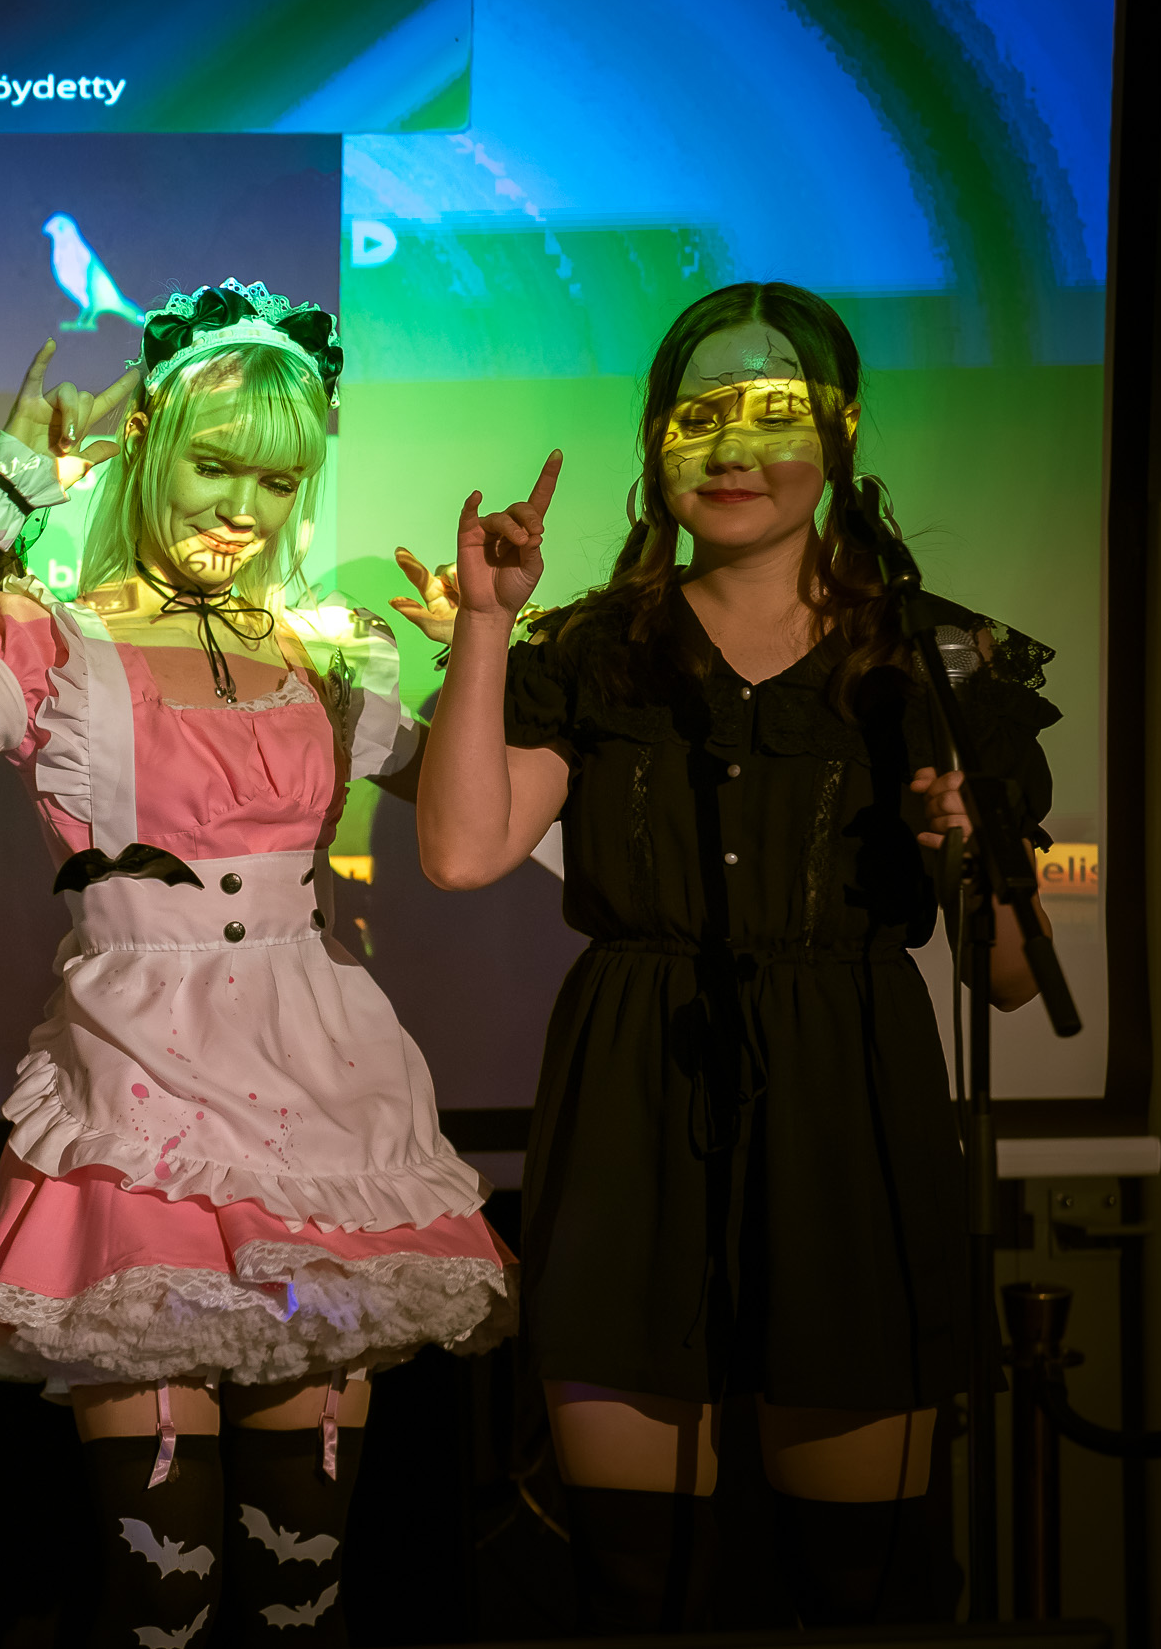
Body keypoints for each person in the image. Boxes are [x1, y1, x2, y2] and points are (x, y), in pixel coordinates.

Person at [0, 283, 515, 1649]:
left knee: (302, 1584)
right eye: (216, 464)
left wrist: (489, 636)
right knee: (164, 1590)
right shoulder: (57, 641)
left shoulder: (336, 648)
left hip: (318, 1096)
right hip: (138, 1105)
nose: (243, 509)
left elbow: (468, 832)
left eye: (279, 480)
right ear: (145, 444)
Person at [415, 281, 1058, 1629]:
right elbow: (464, 851)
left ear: (843, 428)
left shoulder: (932, 658)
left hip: (850, 1103)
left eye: (773, 410)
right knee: (633, 1577)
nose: (734, 450)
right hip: (636, 1098)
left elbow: (1008, 976)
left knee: (858, 1584)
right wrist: (484, 624)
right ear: (655, 438)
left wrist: (972, 838)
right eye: (699, 415)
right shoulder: (595, 651)